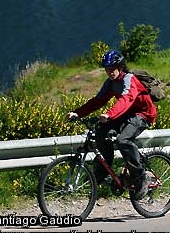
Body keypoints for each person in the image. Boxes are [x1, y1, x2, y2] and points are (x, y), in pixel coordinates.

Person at [67, 50, 157, 199]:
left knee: (123, 140)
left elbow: (126, 99)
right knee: (101, 133)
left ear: (120, 67)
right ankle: (104, 171)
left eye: (112, 68)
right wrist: (77, 113)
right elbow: (97, 101)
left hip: (143, 114)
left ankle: (141, 176)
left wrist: (110, 114)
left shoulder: (129, 79)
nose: (109, 72)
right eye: (107, 69)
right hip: (126, 113)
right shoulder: (110, 83)